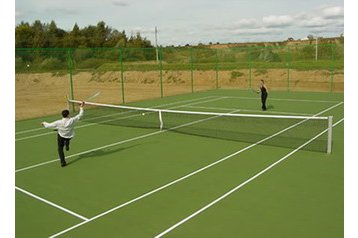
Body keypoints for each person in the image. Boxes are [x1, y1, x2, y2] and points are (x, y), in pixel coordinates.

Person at [41, 102, 85, 167]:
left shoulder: (59, 122)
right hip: (69, 136)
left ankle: (63, 162)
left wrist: (44, 123)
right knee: (66, 137)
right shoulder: (72, 120)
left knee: (60, 149)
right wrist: (81, 107)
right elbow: (80, 115)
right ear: (68, 115)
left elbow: (49, 126)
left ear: (62, 115)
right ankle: (67, 144)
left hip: (61, 136)